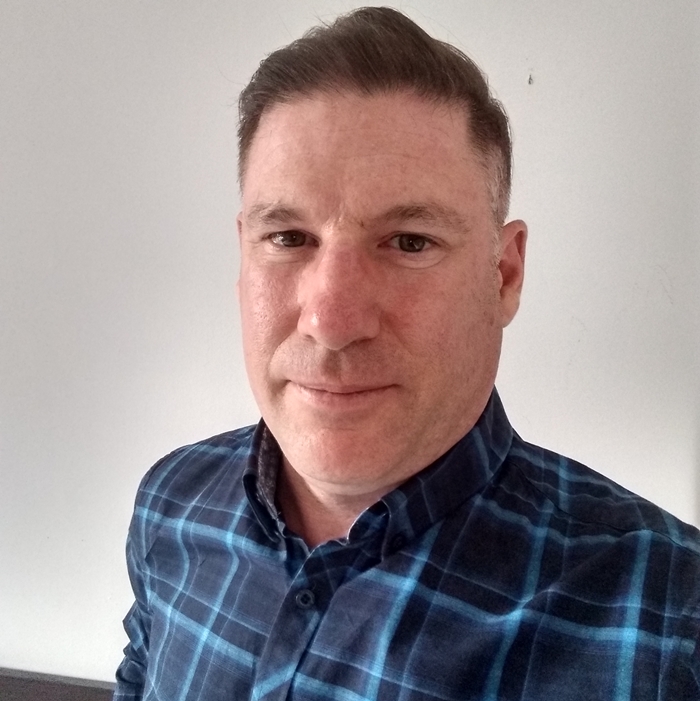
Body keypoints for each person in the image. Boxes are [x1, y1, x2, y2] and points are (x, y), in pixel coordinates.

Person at [113, 7, 700, 700]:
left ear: (504, 274)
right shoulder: (171, 503)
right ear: (243, 256)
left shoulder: (669, 621)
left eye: (410, 242)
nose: (332, 323)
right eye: (288, 238)